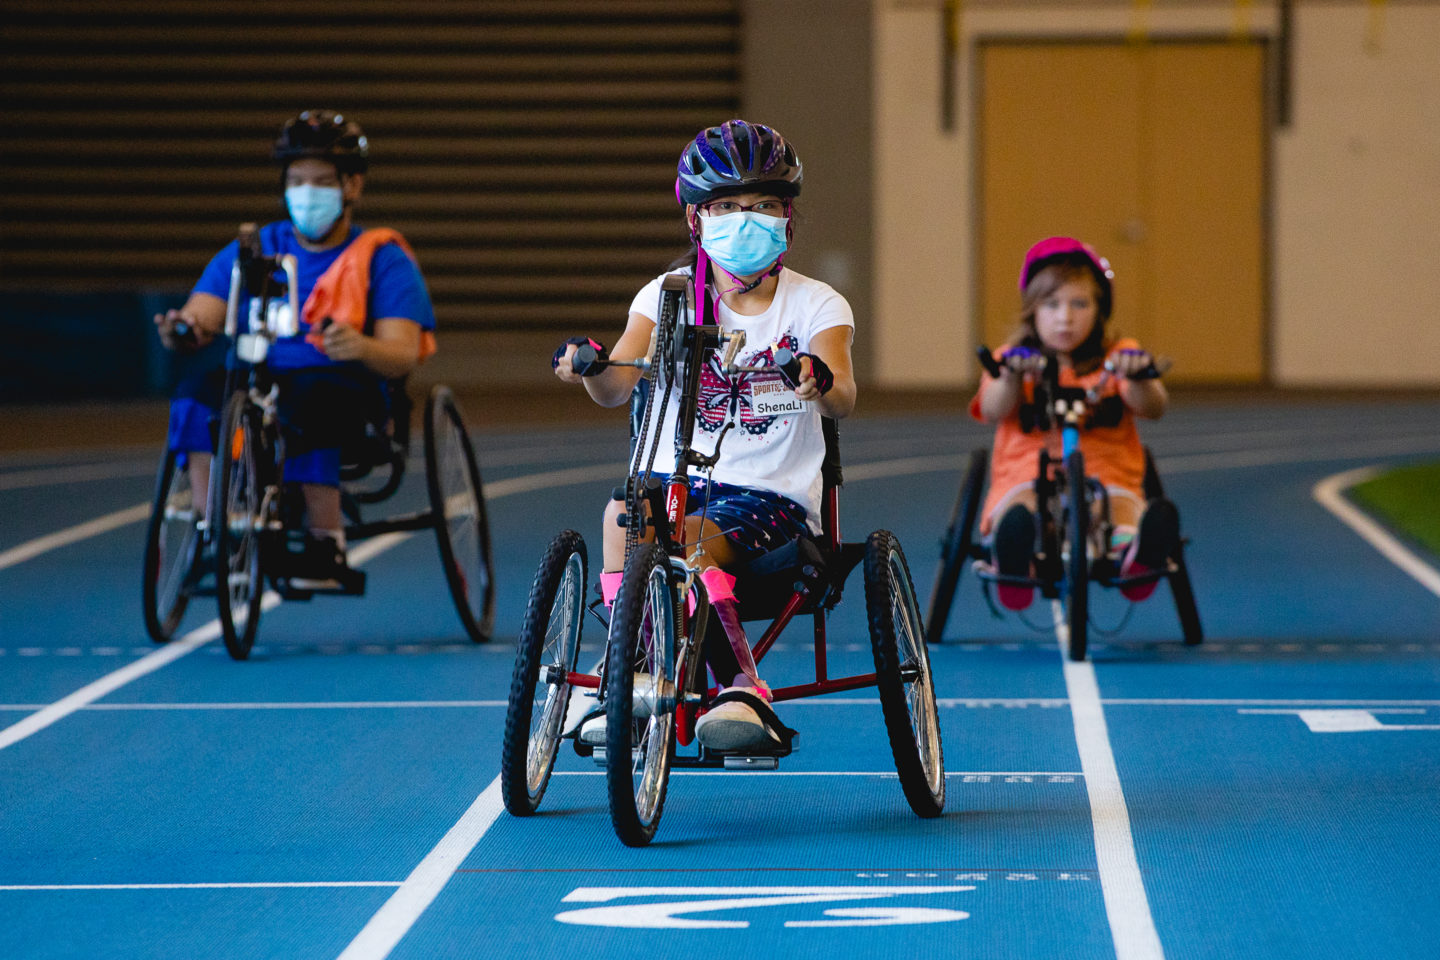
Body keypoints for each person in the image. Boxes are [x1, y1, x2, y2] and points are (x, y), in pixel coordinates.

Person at [554, 119, 856, 752]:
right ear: (697, 218)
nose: (745, 220)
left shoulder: (816, 304)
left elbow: (844, 396)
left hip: (770, 498)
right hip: (674, 478)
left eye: (764, 205)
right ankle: (629, 672)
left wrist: (814, 377)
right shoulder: (666, 297)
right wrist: (590, 365)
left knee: (684, 538)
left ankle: (745, 687)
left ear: (787, 216)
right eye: (726, 206)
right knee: (619, 516)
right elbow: (616, 384)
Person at [154, 109, 436, 589]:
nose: (308, 193)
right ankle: (214, 528)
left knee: (307, 404)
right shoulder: (258, 248)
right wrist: (185, 327)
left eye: (322, 181)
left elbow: (402, 352)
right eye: (297, 180)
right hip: (257, 379)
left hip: (341, 384)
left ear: (352, 186)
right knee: (194, 397)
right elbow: (205, 310)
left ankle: (326, 538)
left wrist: (359, 345)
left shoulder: (382, 258)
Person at [971, 236, 1178, 610]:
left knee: (1118, 506)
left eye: (1079, 304)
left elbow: (1153, 407)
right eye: (1052, 305)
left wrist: (1139, 377)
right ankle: (1018, 558)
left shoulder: (1118, 356)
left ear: (1100, 310)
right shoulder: (1011, 358)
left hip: (1107, 474)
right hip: (1026, 474)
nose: (1065, 317)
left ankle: (1132, 555)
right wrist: (1012, 377)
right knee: (1023, 505)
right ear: (1033, 311)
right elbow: (991, 409)